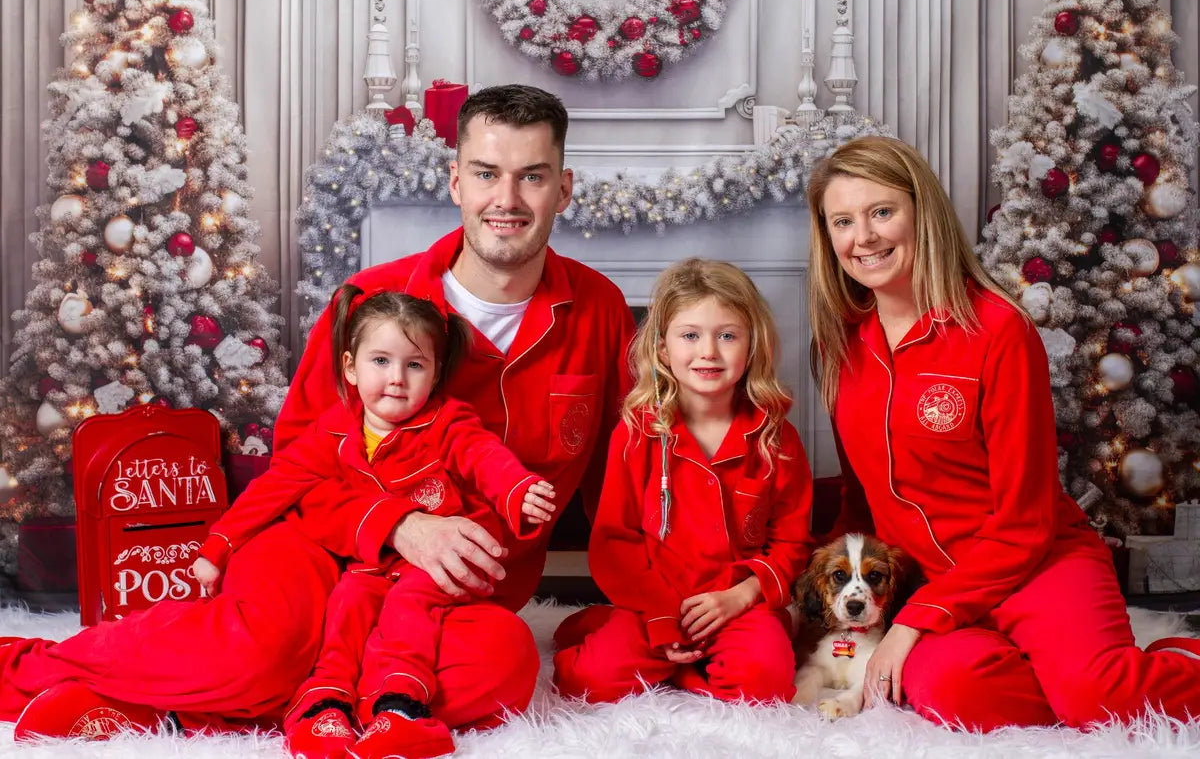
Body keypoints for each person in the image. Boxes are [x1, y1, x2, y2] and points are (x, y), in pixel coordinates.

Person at [2, 83, 634, 742]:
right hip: (318, 548)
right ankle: (32, 668)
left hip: (449, 592)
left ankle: (178, 706)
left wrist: (661, 604)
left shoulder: (601, 310)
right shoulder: (373, 298)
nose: (505, 201)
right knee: (267, 646)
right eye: (486, 174)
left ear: (562, 190)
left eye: (531, 178)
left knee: (502, 668)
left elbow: (625, 478)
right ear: (456, 182)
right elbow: (301, 460)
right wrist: (401, 524)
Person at [805, 134, 1200, 731]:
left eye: (882, 212)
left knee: (1097, 698)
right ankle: (1058, 675)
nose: (864, 237)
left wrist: (916, 621)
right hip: (931, 579)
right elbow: (862, 502)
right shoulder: (837, 348)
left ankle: (1162, 663)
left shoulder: (996, 331)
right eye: (843, 221)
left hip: (1036, 562)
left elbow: (1027, 520)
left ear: (922, 214)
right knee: (950, 689)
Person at [191, 285, 557, 759]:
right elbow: (275, 487)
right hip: (366, 567)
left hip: (431, 570)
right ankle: (324, 703)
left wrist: (518, 490)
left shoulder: (447, 421)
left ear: (435, 373)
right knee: (347, 608)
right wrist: (217, 547)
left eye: (415, 365)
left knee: (410, 613)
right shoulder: (332, 431)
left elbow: (483, 456)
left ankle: (399, 706)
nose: (397, 379)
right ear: (350, 368)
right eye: (380, 361)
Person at [553, 259, 813, 704]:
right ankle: (605, 627)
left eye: (727, 336)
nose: (708, 352)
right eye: (690, 335)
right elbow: (615, 541)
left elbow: (792, 544)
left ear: (753, 347)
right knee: (587, 681)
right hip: (654, 604)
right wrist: (659, 616)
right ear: (661, 350)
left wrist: (744, 595)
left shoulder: (776, 437)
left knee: (764, 685)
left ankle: (689, 672)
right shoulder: (636, 434)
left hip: (736, 605)